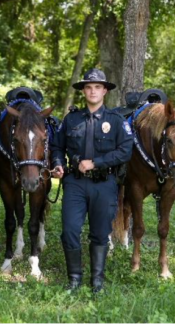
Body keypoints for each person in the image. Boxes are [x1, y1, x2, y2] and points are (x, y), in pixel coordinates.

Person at [50, 68, 133, 293]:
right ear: (84, 91)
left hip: (104, 184)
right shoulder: (71, 119)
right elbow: (57, 146)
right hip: (75, 183)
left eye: (98, 87)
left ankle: (97, 281)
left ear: (104, 91)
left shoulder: (115, 120)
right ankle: (74, 280)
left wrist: (96, 163)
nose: (93, 91)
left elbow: (125, 151)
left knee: (99, 232)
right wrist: (58, 164)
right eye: (89, 87)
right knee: (69, 230)